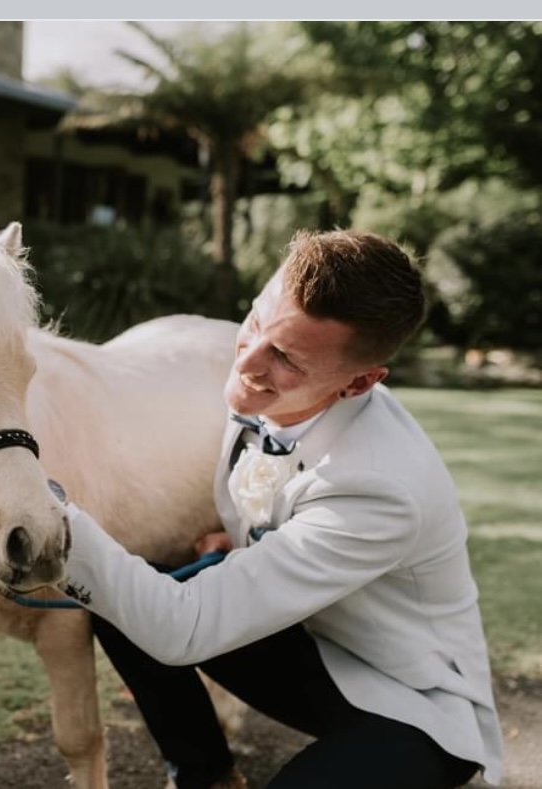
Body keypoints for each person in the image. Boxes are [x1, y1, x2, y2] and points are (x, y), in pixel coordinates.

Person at [58, 229, 504, 789]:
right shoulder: (276, 387)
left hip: (411, 703)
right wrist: (246, 541)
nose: (246, 360)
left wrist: (50, 517)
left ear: (359, 383)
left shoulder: (380, 488)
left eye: (285, 358)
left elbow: (183, 631)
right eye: (254, 322)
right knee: (126, 595)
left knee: (153, 605)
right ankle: (206, 776)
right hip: (315, 647)